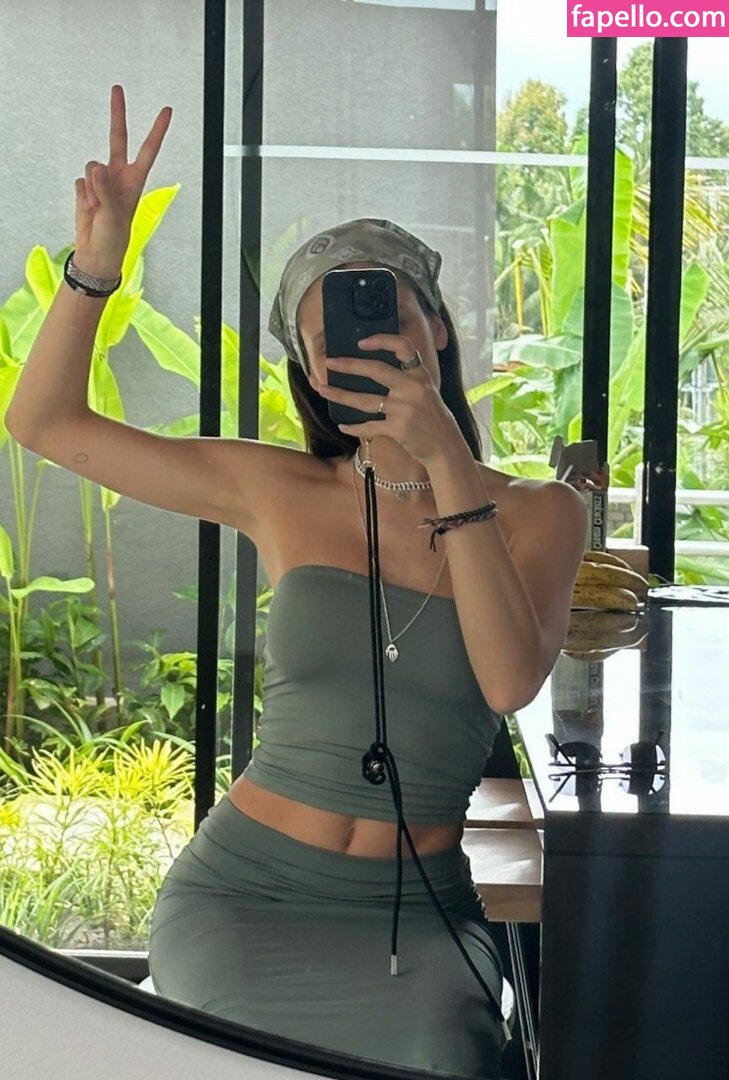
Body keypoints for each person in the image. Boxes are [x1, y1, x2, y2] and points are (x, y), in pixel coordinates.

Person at [7, 85, 588, 1079]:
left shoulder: (541, 513)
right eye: (334, 339)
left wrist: (445, 462)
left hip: (416, 916)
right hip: (243, 897)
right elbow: (45, 424)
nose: (370, 344)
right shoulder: (277, 489)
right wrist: (95, 270)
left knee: (444, 1058)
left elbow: (505, 683)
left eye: (392, 312)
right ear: (312, 372)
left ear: (437, 329)